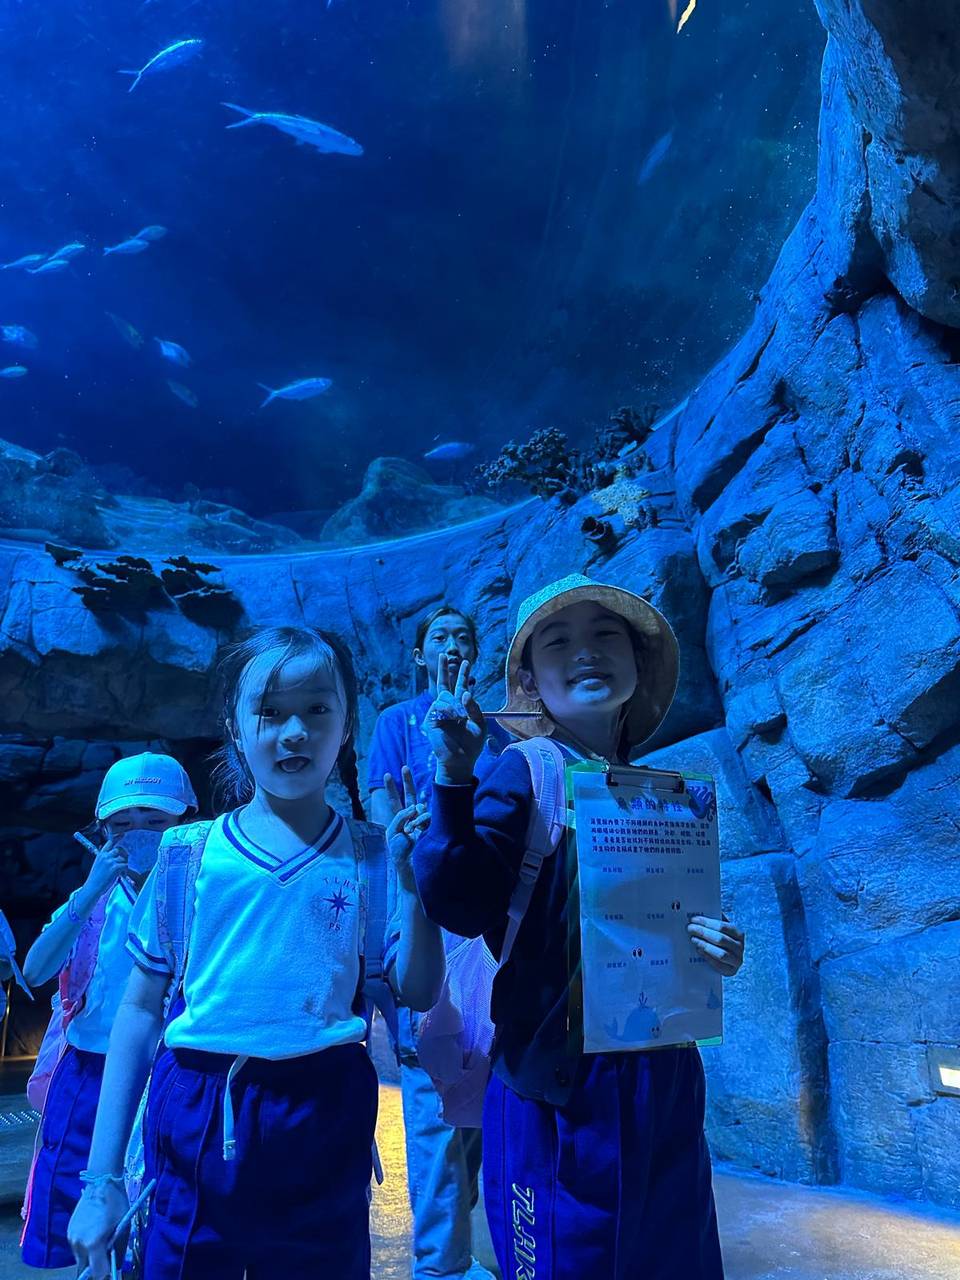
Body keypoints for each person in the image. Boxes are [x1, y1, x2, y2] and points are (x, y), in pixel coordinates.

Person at [67, 626, 434, 1280]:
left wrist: (415, 886)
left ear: (346, 725)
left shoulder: (374, 857)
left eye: (317, 708)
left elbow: (419, 990)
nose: (295, 731)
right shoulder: (187, 856)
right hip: (198, 1109)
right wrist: (101, 1181)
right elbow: (140, 1012)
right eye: (270, 711)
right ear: (235, 728)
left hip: (324, 1113)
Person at [413, 574, 746, 1280]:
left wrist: (716, 946)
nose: (586, 652)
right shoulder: (525, 771)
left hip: (664, 1078)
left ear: (637, 662)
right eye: (559, 642)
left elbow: (667, 931)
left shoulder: (661, 798)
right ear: (531, 679)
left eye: (605, 635)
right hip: (558, 1091)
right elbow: (460, 902)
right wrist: (454, 778)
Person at [369, 604, 507, 1280]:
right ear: (421, 654)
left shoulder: (496, 727)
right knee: (431, 1073)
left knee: (484, 1069)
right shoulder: (397, 721)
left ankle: (454, 1243)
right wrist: (407, 844)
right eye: (440, 637)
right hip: (424, 902)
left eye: (463, 637)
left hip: (484, 912)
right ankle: (440, 1263)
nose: (453, 645)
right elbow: (380, 801)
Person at [20, 753, 197, 1270]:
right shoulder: (95, 900)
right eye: (122, 824)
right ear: (101, 831)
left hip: (166, 1074)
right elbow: (35, 969)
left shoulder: (199, 894)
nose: (138, 834)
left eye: (155, 822)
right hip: (88, 1076)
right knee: (80, 1222)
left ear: (187, 823)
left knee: (160, 1217)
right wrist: (93, 886)